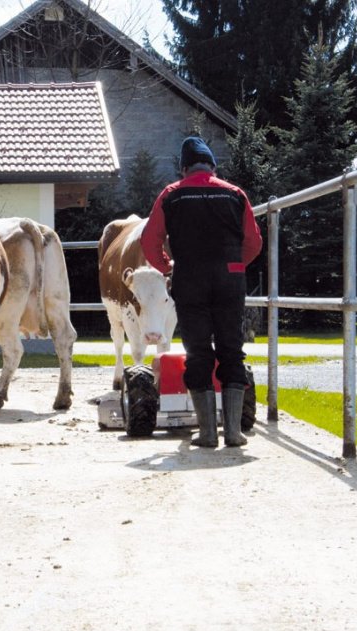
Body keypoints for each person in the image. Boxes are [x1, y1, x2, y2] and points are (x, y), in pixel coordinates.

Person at [141, 136, 263, 448]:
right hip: (229, 280)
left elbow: (149, 241)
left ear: (184, 168)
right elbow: (254, 241)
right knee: (231, 349)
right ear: (211, 166)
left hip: (190, 280)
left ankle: (208, 433)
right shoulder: (235, 194)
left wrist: (168, 267)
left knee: (198, 351)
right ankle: (233, 433)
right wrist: (235, 265)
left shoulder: (172, 195)